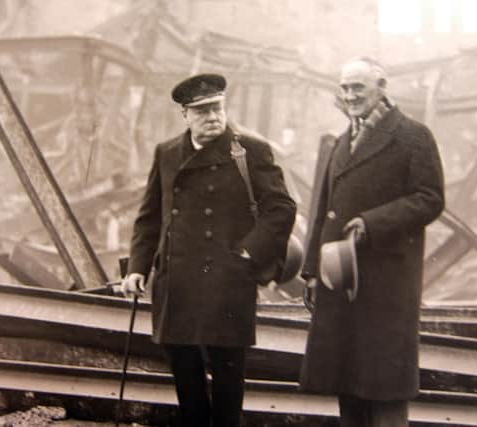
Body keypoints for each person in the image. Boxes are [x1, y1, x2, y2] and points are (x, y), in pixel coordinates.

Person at [121, 73, 296, 427]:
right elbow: (150, 215)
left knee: (228, 375)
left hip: (227, 279)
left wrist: (249, 252)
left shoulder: (249, 149)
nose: (212, 117)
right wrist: (137, 268)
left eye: (217, 108)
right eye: (201, 111)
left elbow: (281, 207)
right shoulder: (167, 152)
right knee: (185, 371)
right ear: (185, 115)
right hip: (178, 280)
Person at [299, 57, 445, 426]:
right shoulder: (343, 140)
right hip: (341, 279)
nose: (349, 95)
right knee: (346, 383)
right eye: (345, 88)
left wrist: (373, 222)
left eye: (357, 87)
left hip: (386, 284)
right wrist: (313, 272)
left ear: (382, 86)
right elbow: (324, 209)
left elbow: (430, 198)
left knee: (384, 389)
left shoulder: (413, 136)